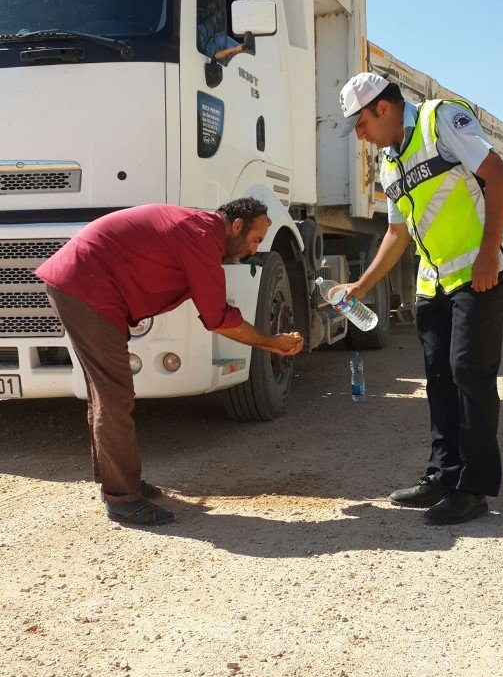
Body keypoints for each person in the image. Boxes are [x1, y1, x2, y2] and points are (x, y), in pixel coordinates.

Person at [35, 198, 304, 526]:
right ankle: (122, 500)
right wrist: (272, 343)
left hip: (82, 282)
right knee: (114, 396)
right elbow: (218, 318)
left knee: (105, 393)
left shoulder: (199, 231)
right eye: (255, 239)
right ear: (237, 226)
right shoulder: (202, 239)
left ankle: (118, 482)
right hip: (86, 287)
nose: (254, 248)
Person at [339, 72, 503, 524]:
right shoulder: (390, 162)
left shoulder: (440, 120)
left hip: (482, 268)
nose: (359, 133)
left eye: (360, 122)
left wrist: (487, 256)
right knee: (439, 376)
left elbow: (500, 178)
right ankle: (444, 476)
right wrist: (360, 287)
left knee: (469, 372)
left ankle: (475, 487)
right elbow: (396, 233)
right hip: (436, 279)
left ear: (382, 108)